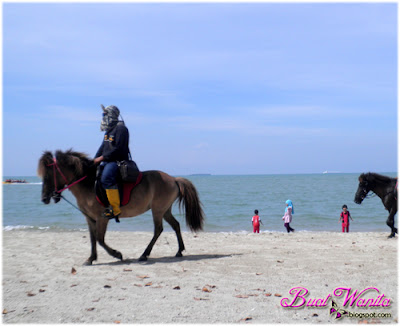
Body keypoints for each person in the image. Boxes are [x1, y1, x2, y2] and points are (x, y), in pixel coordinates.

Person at [94, 105, 130, 220]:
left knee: (106, 178)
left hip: (117, 161)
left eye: (105, 114)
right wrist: (93, 160)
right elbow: (102, 148)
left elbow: (119, 148)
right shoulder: (108, 131)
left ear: (111, 115)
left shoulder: (121, 129)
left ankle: (115, 209)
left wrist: (102, 158)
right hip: (107, 160)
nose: (103, 117)